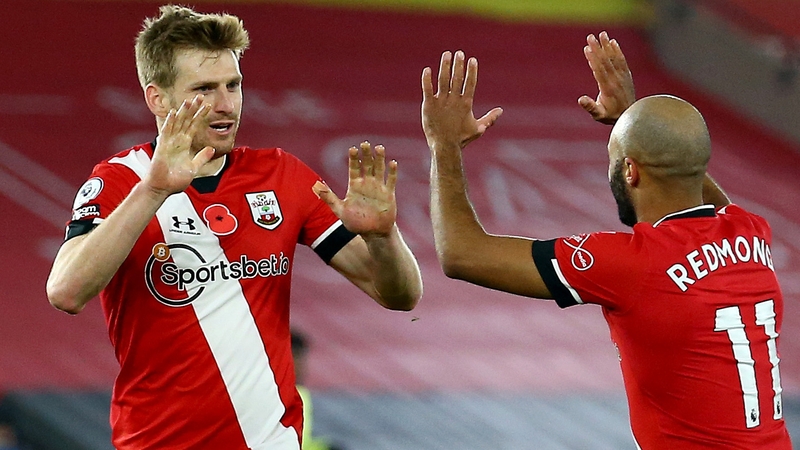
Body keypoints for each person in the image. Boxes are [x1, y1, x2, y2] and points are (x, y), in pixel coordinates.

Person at [45, 5, 422, 449]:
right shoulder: (120, 180)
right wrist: (154, 191)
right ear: (158, 98)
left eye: (234, 85)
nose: (226, 105)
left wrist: (384, 238)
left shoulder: (283, 175)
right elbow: (65, 292)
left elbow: (399, 295)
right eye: (204, 89)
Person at [420, 32, 791, 449]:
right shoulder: (751, 233)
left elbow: (462, 254)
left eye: (614, 160)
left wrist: (444, 145)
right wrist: (631, 120)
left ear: (630, 171)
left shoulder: (629, 264)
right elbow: (688, 171)